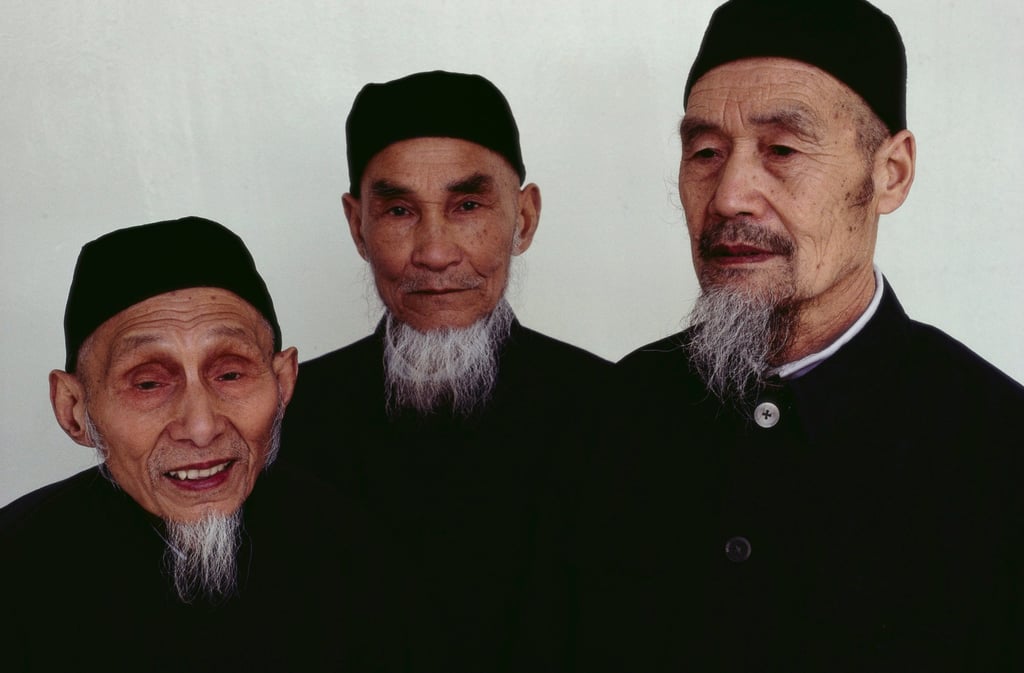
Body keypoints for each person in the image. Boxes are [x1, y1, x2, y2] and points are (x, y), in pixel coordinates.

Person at [584, 1, 1024, 671]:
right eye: (704, 151)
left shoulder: (998, 447)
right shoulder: (609, 417)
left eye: (782, 149)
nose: (730, 195)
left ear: (891, 172)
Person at [281, 70, 609, 672]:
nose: (434, 252)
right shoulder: (289, 417)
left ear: (524, 218)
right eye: (400, 210)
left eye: (467, 206)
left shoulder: (613, 410)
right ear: (358, 226)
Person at [0, 216, 407, 672]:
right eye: (149, 383)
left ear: (283, 384)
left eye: (230, 374)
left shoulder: (352, 548)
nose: (200, 426)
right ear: (74, 408)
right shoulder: (13, 571)